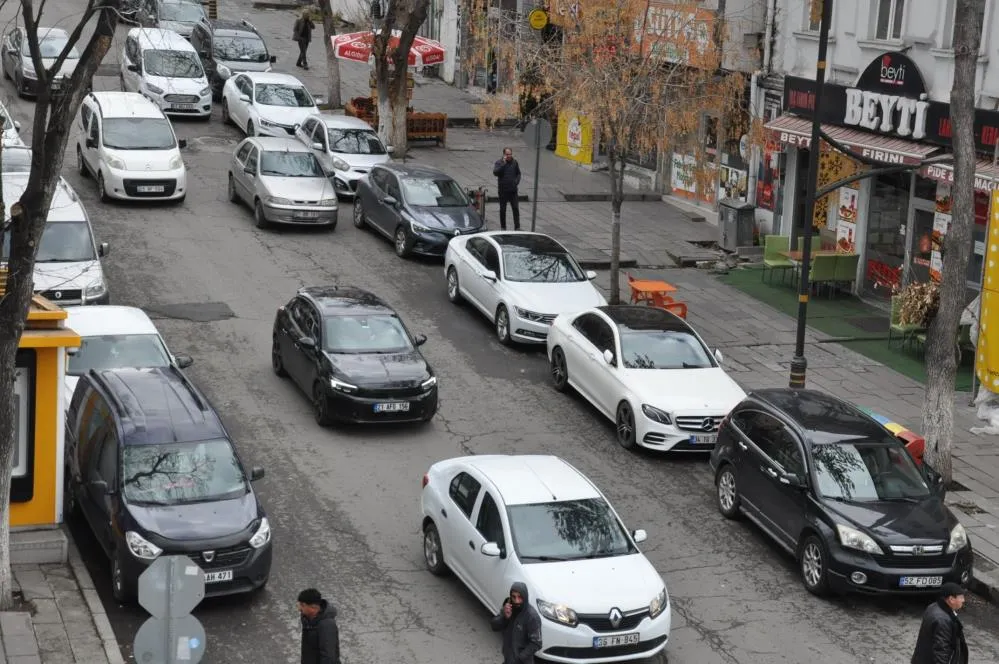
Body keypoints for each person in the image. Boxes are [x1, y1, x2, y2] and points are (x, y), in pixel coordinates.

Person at [910, 582, 969, 664]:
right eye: (961, 597)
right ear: (951, 599)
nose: (963, 600)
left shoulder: (933, 607)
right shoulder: (943, 621)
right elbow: (941, 651)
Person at [490, 581, 542, 664]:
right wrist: (505, 617)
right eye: (514, 597)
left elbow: (536, 643)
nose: (516, 601)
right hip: (508, 658)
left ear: (525, 597)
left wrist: (519, 658)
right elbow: (494, 626)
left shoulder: (532, 617)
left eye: (520, 597)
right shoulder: (509, 607)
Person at [298, 588, 341, 664]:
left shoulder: (326, 625)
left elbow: (329, 657)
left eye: (303, 605)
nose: (299, 608)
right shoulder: (309, 619)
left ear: (313, 607)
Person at [493, 147, 521, 231]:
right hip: (503, 191)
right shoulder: (499, 162)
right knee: (502, 209)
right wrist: (503, 164)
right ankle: (503, 227)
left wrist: (516, 182)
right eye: (507, 154)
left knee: (515, 208)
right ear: (504, 154)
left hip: (513, 190)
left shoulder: (515, 162)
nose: (509, 156)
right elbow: (495, 172)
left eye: (510, 154)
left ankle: (517, 227)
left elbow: (518, 173)